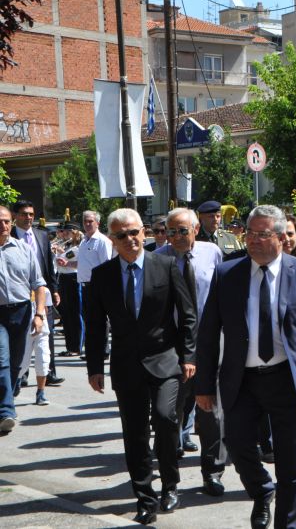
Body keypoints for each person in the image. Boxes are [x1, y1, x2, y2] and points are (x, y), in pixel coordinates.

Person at [195, 205, 296, 529]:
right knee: (238, 446)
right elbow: (209, 331)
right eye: (249, 233)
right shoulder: (228, 274)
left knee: (293, 464)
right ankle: (261, 489)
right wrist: (202, 385)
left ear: (282, 238)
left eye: (263, 234)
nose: (253, 240)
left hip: (288, 378)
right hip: (242, 380)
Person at [85, 208, 197, 525]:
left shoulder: (167, 265)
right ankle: (145, 497)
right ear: (112, 239)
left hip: (166, 360)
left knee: (165, 419)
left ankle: (170, 484)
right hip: (126, 364)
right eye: (122, 235)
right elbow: (94, 325)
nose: (130, 239)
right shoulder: (103, 275)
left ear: (144, 233)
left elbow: (188, 314)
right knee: (134, 434)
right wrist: (94, 367)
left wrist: (189, 355)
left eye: (135, 232)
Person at [156, 208, 226, 496]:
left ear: (196, 229)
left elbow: (222, 294)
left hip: (208, 343)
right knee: (169, 412)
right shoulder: (158, 258)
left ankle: (212, 472)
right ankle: (169, 479)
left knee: (210, 412)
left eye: (182, 230)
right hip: (172, 346)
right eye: (170, 231)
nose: (176, 237)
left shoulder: (213, 253)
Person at [0, 205, 47, 434]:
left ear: (11, 222)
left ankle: (9, 390)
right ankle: (7, 411)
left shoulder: (24, 249)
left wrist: (39, 314)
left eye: (6, 221)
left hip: (21, 311)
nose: (3, 226)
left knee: (17, 362)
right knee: (2, 358)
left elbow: (38, 284)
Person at [11, 200, 63, 387]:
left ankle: (49, 372)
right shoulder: (9, 236)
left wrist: (55, 290)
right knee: (22, 334)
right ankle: (21, 373)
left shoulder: (41, 236)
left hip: (43, 293)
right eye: (24, 214)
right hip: (19, 293)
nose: (28, 218)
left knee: (46, 332)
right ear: (15, 216)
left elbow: (50, 266)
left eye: (31, 214)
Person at [68, 211, 113, 358]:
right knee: (90, 320)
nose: (87, 224)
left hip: (97, 285)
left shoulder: (102, 241)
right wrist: (68, 263)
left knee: (100, 319)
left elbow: (106, 264)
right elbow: (83, 263)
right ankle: (93, 349)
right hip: (85, 285)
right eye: (85, 221)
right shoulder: (84, 241)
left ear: (97, 223)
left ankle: (103, 350)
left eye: (90, 221)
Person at [53, 222, 83, 356]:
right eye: (64, 232)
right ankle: (70, 346)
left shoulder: (78, 247)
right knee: (66, 314)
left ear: (75, 232)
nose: (64, 234)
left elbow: (65, 259)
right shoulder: (67, 245)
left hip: (73, 279)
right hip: (64, 278)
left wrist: (60, 253)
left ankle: (77, 346)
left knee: (75, 313)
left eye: (68, 232)